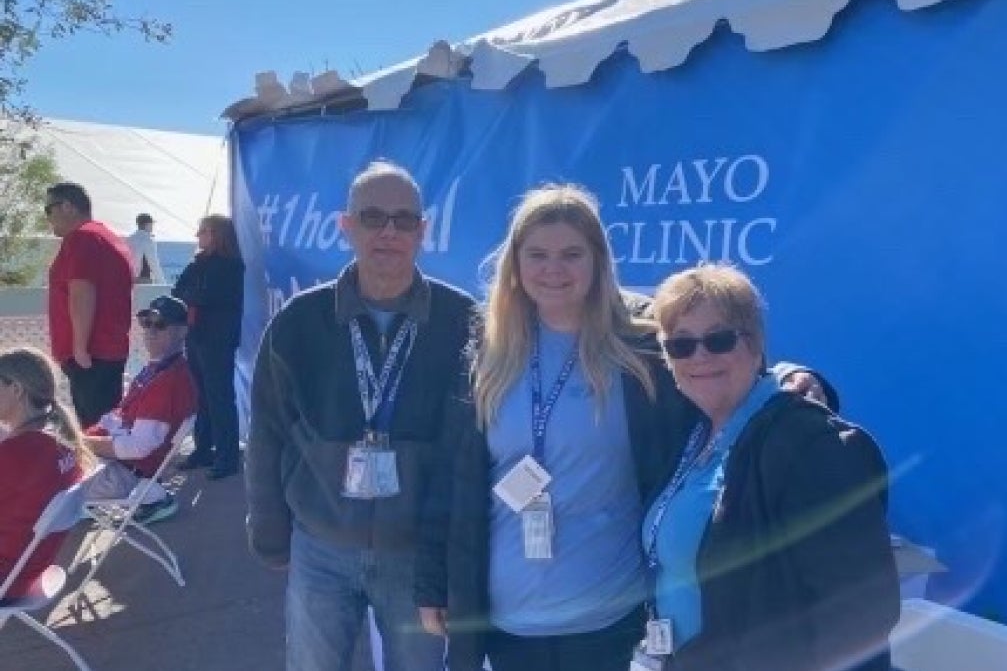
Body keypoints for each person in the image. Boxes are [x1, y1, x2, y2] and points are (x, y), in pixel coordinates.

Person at [415, 184, 833, 671]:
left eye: (572, 254)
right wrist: (432, 582)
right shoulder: (488, 347)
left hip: (613, 617)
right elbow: (450, 475)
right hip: (509, 621)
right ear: (515, 262)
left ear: (598, 259)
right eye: (538, 255)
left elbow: (721, 360)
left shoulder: (642, 340)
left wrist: (790, 376)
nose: (554, 269)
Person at [245, 161, 470, 671]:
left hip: (418, 557)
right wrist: (270, 535)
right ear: (346, 226)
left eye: (404, 219)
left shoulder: (464, 323)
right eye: (372, 217)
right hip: (320, 549)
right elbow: (266, 435)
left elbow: (477, 449)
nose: (389, 231)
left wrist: (460, 553)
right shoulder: (298, 322)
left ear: (423, 231)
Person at [636, 264, 899, 671]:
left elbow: (858, 617)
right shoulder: (693, 432)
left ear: (756, 344)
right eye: (681, 346)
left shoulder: (808, 445)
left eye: (719, 340)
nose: (700, 356)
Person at [82, 295, 197, 525]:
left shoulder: (168, 381)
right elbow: (119, 418)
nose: (151, 331)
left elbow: (138, 446)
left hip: (123, 474)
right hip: (114, 464)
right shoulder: (158, 370)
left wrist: (79, 442)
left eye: (161, 325)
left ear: (182, 332)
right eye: (147, 322)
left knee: (33, 481)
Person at [0, 347, 88, 604]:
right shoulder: (60, 441)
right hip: (31, 568)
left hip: (9, 577)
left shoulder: (16, 454)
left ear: (16, 390)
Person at [45, 182, 135, 428]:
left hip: (92, 353)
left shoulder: (83, 238)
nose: (48, 219)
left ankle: (106, 468)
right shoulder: (107, 237)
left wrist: (79, 348)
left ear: (67, 207)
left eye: (48, 210)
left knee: (94, 429)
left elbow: (82, 292)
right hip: (106, 349)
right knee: (106, 425)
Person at [173, 214, 246, 480]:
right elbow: (178, 291)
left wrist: (194, 295)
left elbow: (207, 296)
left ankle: (227, 457)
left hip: (217, 339)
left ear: (217, 234)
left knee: (219, 397)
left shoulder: (230, 266)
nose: (198, 236)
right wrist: (194, 294)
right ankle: (203, 448)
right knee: (200, 396)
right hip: (196, 335)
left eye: (203, 231)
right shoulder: (198, 263)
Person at [127, 213, 166, 284]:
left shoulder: (129, 239)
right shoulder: (148, 240)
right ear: (147, 225)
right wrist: (162, 282)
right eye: (151, 224)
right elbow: (153, 263)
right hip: (144, 277)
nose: (152, 227)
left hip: (130, 277)